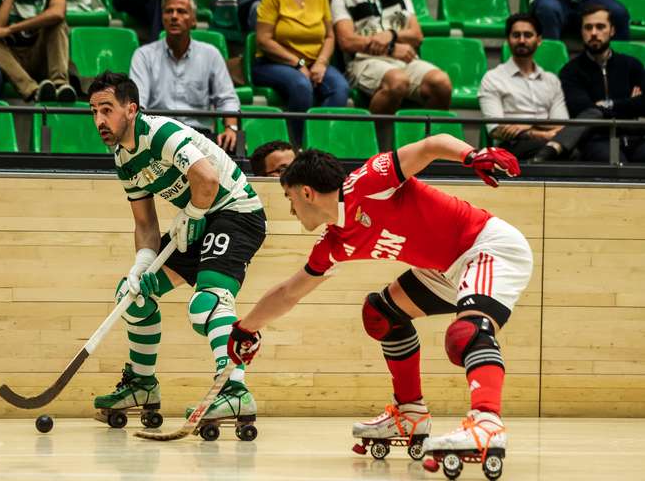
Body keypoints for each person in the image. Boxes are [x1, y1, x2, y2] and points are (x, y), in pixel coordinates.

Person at [227, 142, 531, 467]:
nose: (290, 210)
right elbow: (289, 292)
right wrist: (246, 328)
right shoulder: (335, 243)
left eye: (288, 199)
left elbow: (430, 146)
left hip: (487, 247)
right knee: (381, 314)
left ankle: (486, 423)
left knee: (467, 333)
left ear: (305, 193)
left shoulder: (369, 181)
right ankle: (410, 413)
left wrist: (471, 156)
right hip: (443, 269)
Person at [88, 72, 267, 426]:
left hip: (236, 212)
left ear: (131, 109)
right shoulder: (123, 159)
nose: (99, 121)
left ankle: (234, 392)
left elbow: (208, 179)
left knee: (209, 302)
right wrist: (142, 262)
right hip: (196, 219)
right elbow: (145, 225)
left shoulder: (159, 134)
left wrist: (195, 212)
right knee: (133, 296)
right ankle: (142, 385)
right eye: (93, 111)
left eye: (106, 110)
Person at [333, 0, 452, 115]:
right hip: (364, 62)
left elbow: (416, 35)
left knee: (441, 83)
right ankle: (376, 142)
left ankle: (427, 139)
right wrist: (390, 49)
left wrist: (391, 35)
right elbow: (347, 41)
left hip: (404, 59)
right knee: (398, 81)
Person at [252, 0, 349, 145]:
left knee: (340, 88)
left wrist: (322, 63)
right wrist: (299, 63)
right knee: (301, 85)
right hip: (273, 63)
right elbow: (263, 40)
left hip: (315, 62)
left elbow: (330, 36)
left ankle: (320, 145)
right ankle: (296, 148)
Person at [130, 0, 240, 151]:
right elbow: (138, 103)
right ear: (163, 18)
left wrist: (231, 128)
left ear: (194, 20)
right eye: (169, 11)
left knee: (233, 147)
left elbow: (227, 99)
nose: (174, 16)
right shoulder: (144, 55)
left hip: (199, 136)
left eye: (181, 11)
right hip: (157, 135)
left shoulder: (210, 54)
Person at [478, 13, 590, 162]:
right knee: (564, 152)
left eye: (528, 35)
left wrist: (526, 125)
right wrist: (543, 134)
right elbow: (496, 129)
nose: (522, 40)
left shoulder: (551, 80)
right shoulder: (493, 78)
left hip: (549, 143)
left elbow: (562, 125)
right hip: (511, 146)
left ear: (539, 40)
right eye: (516, 35)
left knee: (576, 151)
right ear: (508, 40)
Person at [560, 4, 645, 163]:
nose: (593, 33)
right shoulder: (570, 71)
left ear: (612, 30)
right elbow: (584, 111)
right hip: (595, 139)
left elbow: (643, 104)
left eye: (600, 27)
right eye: (588, 27)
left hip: (635, 137)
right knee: (617, 164)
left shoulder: (632, 65)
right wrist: (629, 105)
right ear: (581, 32)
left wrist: (606, 105)